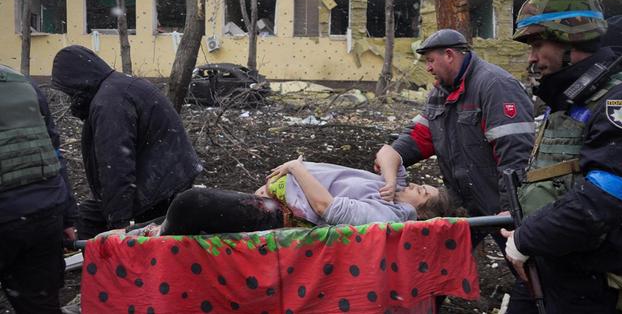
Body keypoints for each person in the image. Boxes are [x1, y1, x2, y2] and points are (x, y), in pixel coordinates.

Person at [501, 0, 622, 313]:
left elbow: (605, 198)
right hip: (556, 262)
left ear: (571, 39)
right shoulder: (571, 96)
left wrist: (525, 239)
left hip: (602, 281)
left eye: (537, 44)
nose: (532, 57)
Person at [374, 28, 536, 312]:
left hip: (501, 206)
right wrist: (395, 153)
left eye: (430, 60)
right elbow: (422, 134)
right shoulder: (440, 92)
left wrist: (510, 210)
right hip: (463, 204)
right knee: (434, 268)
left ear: (449, 55)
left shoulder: (495, 86)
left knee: (526, 268)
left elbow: (516, 157)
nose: (427, 68)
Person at [51, 45, 202, 239]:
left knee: (143, 247)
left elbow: (115, 165)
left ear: (77, 82)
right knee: (88, 218)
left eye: (70, 93)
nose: (71, 100)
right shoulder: (115, 88)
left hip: (159, 186)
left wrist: (118, 224)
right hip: (166, 176)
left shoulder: (110, 103)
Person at [113, 157, 456, 237]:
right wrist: (394, 177)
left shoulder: (391, 216)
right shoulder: (393, 192)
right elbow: (389, 152)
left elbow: (329, 208)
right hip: (277, 197)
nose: (414, 186)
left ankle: (148, 245)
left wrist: (296, 168)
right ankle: (134, 234)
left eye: (421, 192)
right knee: (189, 207)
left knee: (191, 203)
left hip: (285, 215)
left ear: (421, 214)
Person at [0, 65, 78, 313]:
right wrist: (67, 218)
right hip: (45, 214)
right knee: (40, 305)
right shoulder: (22, 83)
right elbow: (55, 153)